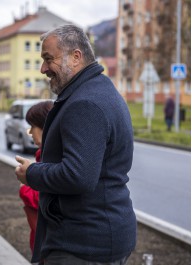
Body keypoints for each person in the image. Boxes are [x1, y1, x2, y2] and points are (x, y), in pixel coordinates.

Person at [15, 24, 136, 265]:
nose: (43, 69)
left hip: (84, 245)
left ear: (76, 57)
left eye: (49, 59)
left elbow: (78, 176)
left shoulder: (85, 103)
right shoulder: (99, 90)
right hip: (97, 236)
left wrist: (32, 173)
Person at [19, 100, 53, 253]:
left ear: (45, 127)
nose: (30, 132)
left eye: (33, 126)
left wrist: (25, 186)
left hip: (49, 243)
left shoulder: (52, 158)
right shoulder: (43, 154)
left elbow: (47, 196)